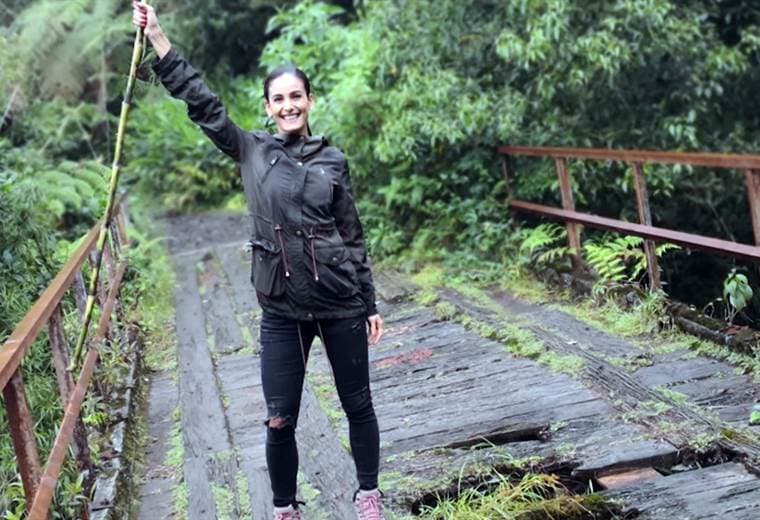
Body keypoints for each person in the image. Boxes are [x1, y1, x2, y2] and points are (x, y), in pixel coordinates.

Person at [132, 3, 385, 519]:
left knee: (358, 404)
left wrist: (370, 302)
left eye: (296, 96)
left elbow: (351, 233)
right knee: (278, 418)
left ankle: (367, 494)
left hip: (339, 302)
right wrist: (158, 36)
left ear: (309, 101)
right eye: (279, 99)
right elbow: (203, 105)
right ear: (267, 107)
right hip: (282, 307)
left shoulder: (332, 161)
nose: (288, 105)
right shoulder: (251, 150)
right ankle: (285, 507)